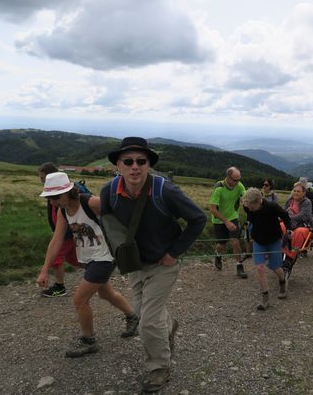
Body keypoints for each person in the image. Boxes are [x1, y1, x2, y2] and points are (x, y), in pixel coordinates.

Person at [99, 137, 206, 393]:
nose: (135, 166)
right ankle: (169, 326)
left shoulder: (164, 190)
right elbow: (107, 221)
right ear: (118, 165)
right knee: (145, 313)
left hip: (163, 264)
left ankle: (158, 368)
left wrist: (174, 252)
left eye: (141, 161)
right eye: (128, 161)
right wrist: (118, 251)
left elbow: (198, 219)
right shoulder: (109, 192)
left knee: (147, 320)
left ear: (148, 165)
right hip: (135, 264)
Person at [36, 172, 139, 358]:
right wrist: (44, 269)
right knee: (106, 293)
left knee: (79, 300)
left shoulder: (90, 202)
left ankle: (89, 341)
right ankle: (133, 316)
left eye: (56, 197)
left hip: (105, 257)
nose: (53, 202)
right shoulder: (63, 211)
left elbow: (123, 212)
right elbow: (56, 240)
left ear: (69, 192)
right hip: (89, 258)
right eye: (50, 199)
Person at [242, 188, 291, 310]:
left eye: (252, 206)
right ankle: (265, 297)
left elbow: (285, 215)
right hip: (258, 240)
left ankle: (282, 282)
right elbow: (250, 215)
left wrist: (289, 230)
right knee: (259, 267)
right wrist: (248, 222)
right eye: (248, 206)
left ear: (259, 201)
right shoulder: (247, 206)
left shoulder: (272, 207)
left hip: (274, 240)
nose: (250, 208)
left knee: (275, 267)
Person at [37, 162, 81, 298]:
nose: (42, 182)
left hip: (66, 233)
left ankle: (60, 286)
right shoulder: (54, 195)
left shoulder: (61, 195)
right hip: (63, 232)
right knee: (73, 258)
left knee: (56, 258)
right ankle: (99, 269)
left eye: (43, 178)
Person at [209, 167, 247, 278]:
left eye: (239, 179)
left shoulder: (239, 185)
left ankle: (239, 266)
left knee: (235, 241)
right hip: (218, 219)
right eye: (235, 180)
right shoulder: (219, 188)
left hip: (233, 217)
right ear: (228, 178)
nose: (237, 182)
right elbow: (212, 208)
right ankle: (218, 255)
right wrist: (226, 222)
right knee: (222, 244)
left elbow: (246, 197)